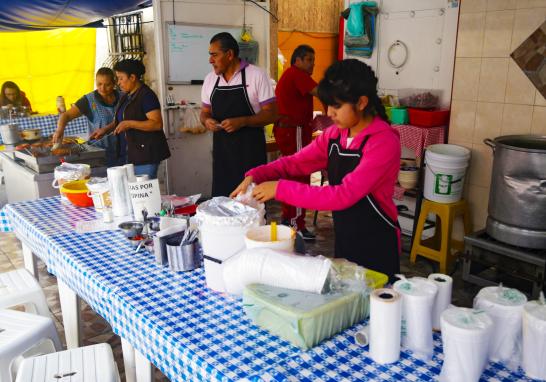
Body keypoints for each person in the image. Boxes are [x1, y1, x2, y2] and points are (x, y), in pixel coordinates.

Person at [231, 59, 401, 280]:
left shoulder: (383, 142)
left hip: (377, 245)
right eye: (327, 104)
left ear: (361, 102)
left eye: (336, 106)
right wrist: (257, 174)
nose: (329, 112)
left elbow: (343, 195)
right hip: (346, 239)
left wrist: (280, 189)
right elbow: (294, 162)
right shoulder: (335, 136)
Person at [200, 32, 278, 197]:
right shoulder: (209, 80)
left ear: (229, 55)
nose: (210, 60)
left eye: (215, 55)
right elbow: (204, 112)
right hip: (222, 156)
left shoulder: (257, 75)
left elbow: (271, 114)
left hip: (250, 155)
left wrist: (242, 121)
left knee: (251, 205)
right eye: (210, 55)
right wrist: (206, 121)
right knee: (222, 205)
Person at [90, 59, 170, 179]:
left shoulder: (146, 95)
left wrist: (129, 124)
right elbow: (120, 120)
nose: (118, 83)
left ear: (132, 77)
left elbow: (156, 124)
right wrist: (105, 130)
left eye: (121, 78)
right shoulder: (127, 96)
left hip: (145, 156)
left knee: (143, 192)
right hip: (130, 155)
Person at [274, 44, 319, 240]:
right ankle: (296, 224)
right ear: (297, 60)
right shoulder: (296, 74)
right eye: (309, 60)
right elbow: (320, 92)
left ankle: (288, 218)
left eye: (313, 61)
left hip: (289, 130)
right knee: (299, 176)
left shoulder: (289, 75)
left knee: (289, 174)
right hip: (295, 131)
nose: (312, 65)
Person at [52, 67, 125, 167]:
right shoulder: (88, 100)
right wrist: (59, 130)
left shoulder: (123, 97)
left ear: (114, 83)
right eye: (99, 84)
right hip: (100, 154)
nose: (102, 88)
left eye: (107, 85)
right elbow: (66, 115)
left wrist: (106, 129)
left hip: (125, 151)